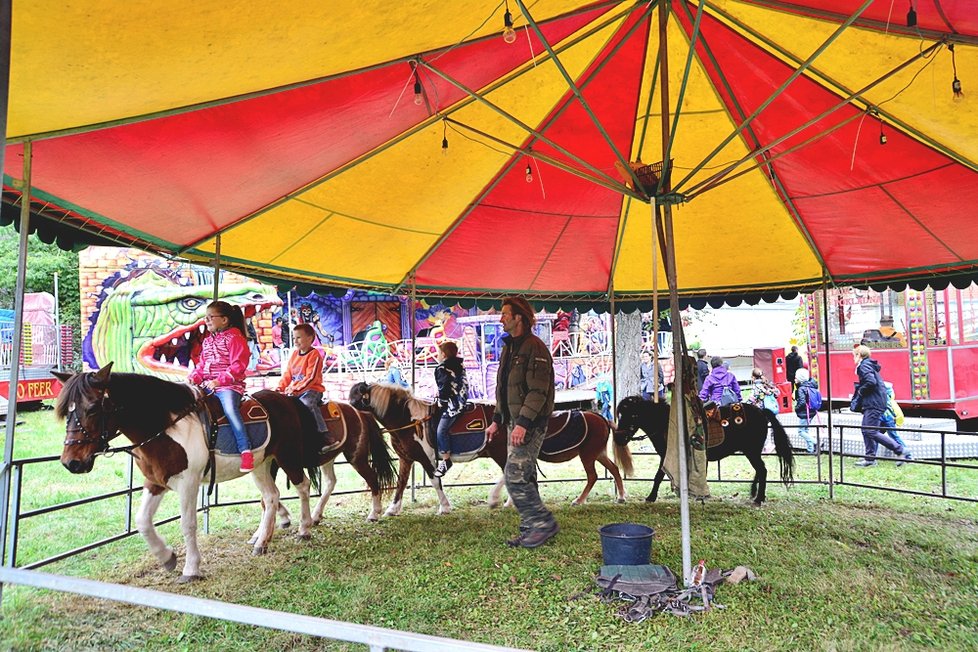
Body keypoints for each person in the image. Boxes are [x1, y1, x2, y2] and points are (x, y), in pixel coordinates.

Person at [485, 297, 558, 549]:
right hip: (514, 421)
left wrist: (523, 423)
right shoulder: (510, 347)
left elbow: (538, 391)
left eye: (505, 314)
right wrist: (497, 420)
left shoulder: (534, 348)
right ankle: (531, 528)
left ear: (519, 318)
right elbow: (504, 389)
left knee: (514, 476)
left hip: (529, 423)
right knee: (524, 475)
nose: (501, 318)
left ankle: (542, 522)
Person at [188, 301, 254, 472]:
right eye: (206, 317)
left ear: (224, 320)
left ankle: (245, 450)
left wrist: (219, 381)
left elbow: (238, 365)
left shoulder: (235, 338)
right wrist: (194, 377)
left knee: (230, 409)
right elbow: (202, 365)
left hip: (229, 386)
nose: (207, 320)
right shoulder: (208, 341)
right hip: (208, 385)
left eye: (211, 317)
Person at [277, 323, 338, 455]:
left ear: (311, 338)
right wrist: (279, 388)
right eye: (294, 338)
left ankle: (324, 436)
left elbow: (311, 378)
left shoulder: (314, 355)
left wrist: (295, 389)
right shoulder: (294, 355)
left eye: (299, 337)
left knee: (307, 404)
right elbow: (288, 374)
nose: (295, 341)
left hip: (312, 390)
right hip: (296, 391)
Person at [852, 345, 912, 467]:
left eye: (854, 355)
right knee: (866, 430)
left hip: (874, 403)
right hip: (875, 402)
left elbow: (871, 381)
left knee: (870, 430)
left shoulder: (864, 366)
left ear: (859, 355)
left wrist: (860, 391)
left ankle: (900, 450)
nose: (853, 358)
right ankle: (870, 458)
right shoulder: (868, 365)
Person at [433, 341, 469, 478]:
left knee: (441, 430)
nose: (437, 356)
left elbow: (444, 388)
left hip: (453, 404)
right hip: (463, 399)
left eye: (438, 353)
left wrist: (441, 402)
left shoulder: (441, 368)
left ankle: (446, 459)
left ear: (443, 354)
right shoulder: (460, 364)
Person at [792, 368, 819, 454]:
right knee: (806, 430)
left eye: (796, 377)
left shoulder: (801, 388)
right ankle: (810, 449)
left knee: (800, 431)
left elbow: (802, 402)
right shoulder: (811, 385)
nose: (794, 379)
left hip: (804, 412)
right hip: (812, 411)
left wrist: (796, 408)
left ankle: (816, 442)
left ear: (800, 378)